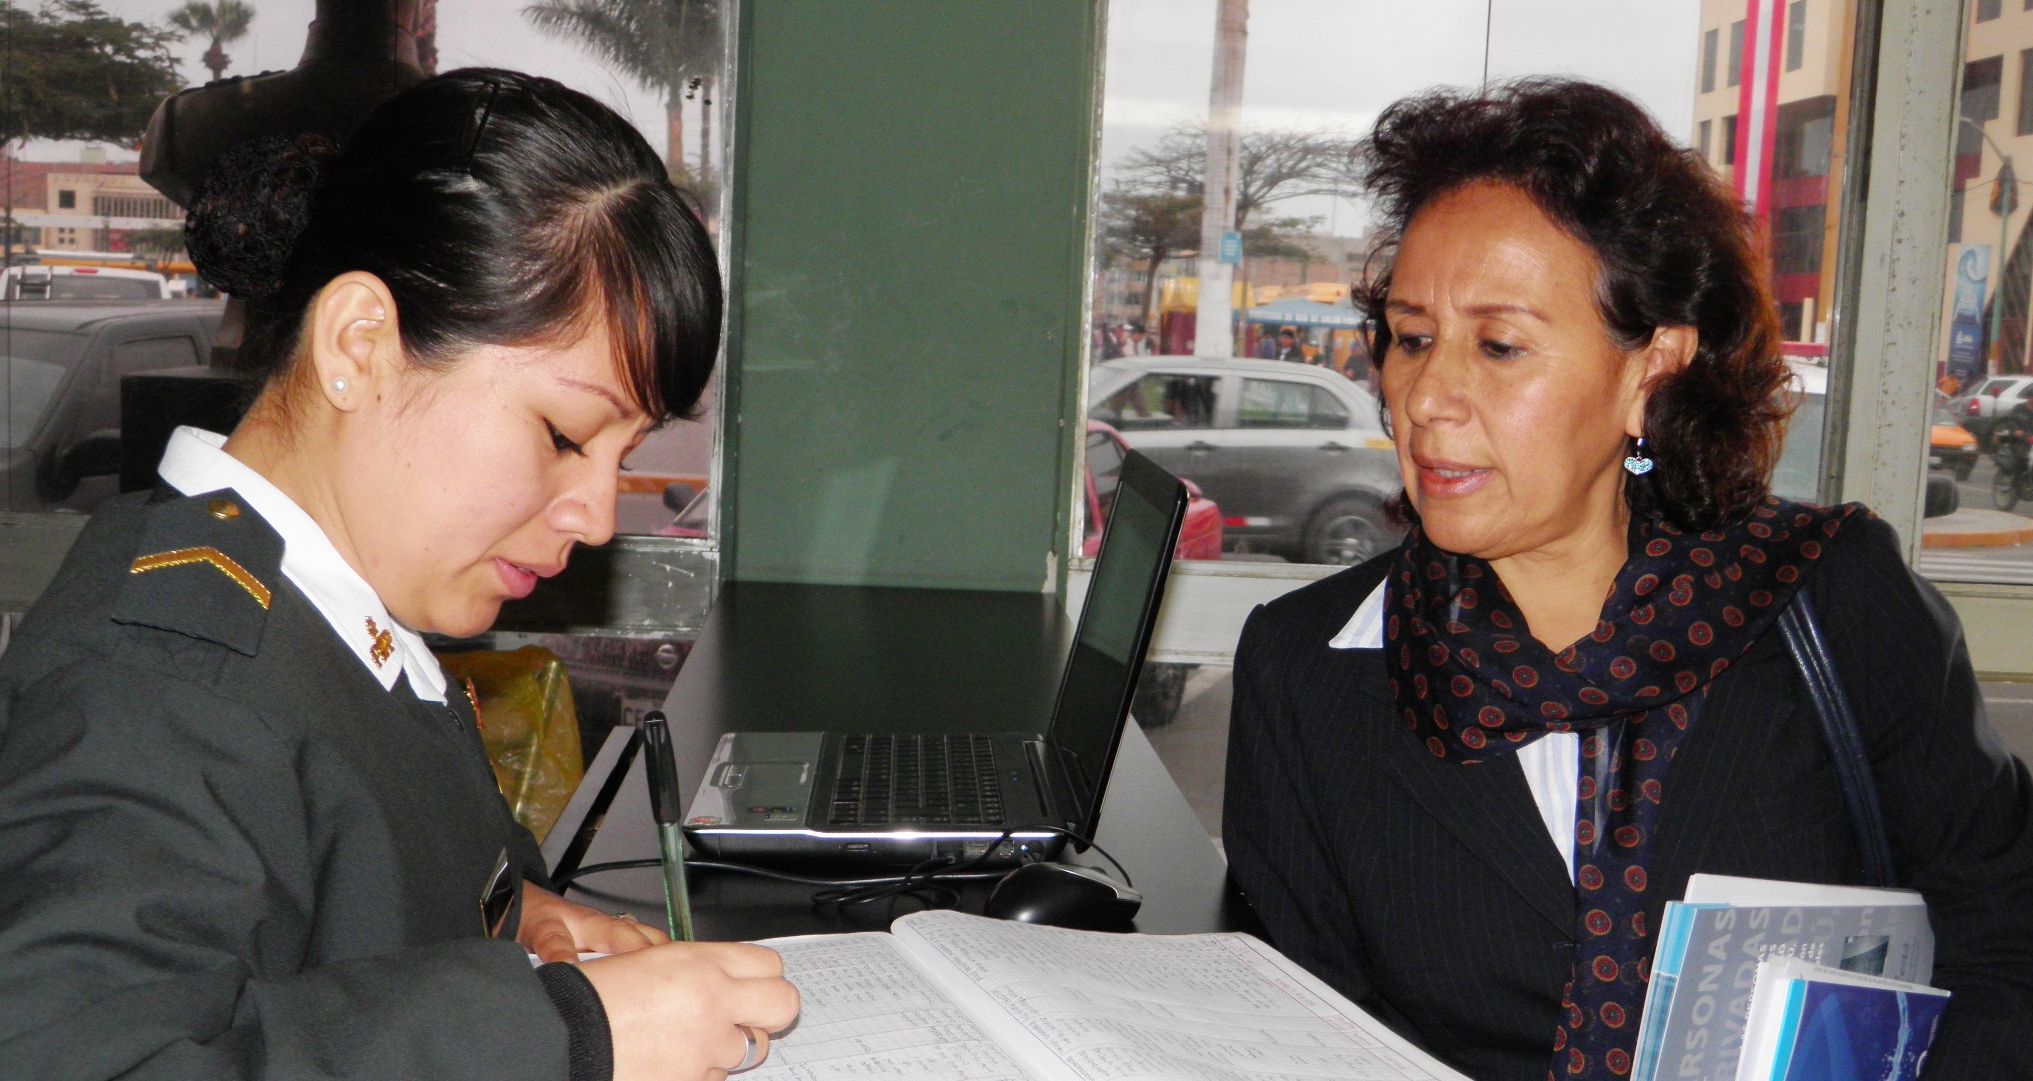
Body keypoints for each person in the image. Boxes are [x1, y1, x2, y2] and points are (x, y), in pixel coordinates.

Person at [1222, 78, 2033, 1081]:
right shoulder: (1305, 670)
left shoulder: (1827, 601)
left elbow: (2002, 949)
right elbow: (1297, 1036)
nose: (1424, 395)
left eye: (1499, 344)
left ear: (1648, 366)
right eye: (1410, 335)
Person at [0, 70, 799, 1081]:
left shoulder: (331, 614)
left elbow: (364, 876)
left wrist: (514, 920)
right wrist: (560, 1035)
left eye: (621, 457)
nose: (597, 516)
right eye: (564, 435)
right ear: (361, 345)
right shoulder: (163, 689)